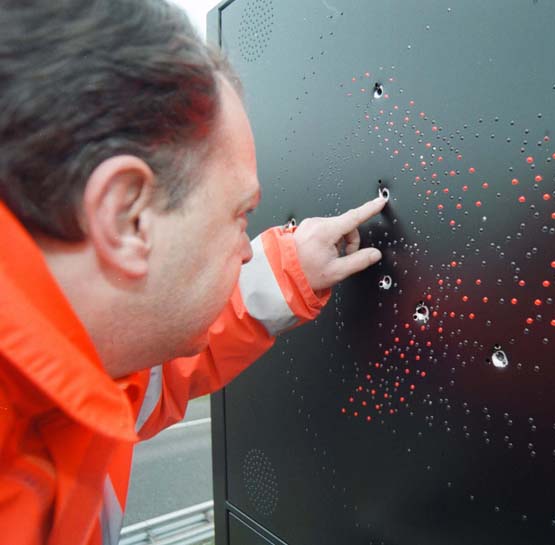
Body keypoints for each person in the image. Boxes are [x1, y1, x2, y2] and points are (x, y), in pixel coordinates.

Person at [0, 1, 387, 543]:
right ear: (127, 216)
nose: (247, 249)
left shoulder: (81, 362)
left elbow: (156, 369)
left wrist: (290, 269)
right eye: (239, 216)